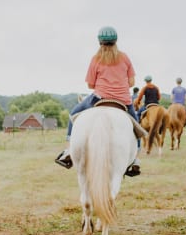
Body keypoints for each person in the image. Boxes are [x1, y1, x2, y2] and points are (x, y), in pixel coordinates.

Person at [55, 26, 141, 176]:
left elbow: (90, 84)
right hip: (123, 100)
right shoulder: (125, 57)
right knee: (137, 128)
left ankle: (69, 151)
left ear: (99, 42)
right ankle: (135, 160)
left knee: (73, 113)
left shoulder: (96, 59)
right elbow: (132, 82)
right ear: (116, 41)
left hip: (99, 98)